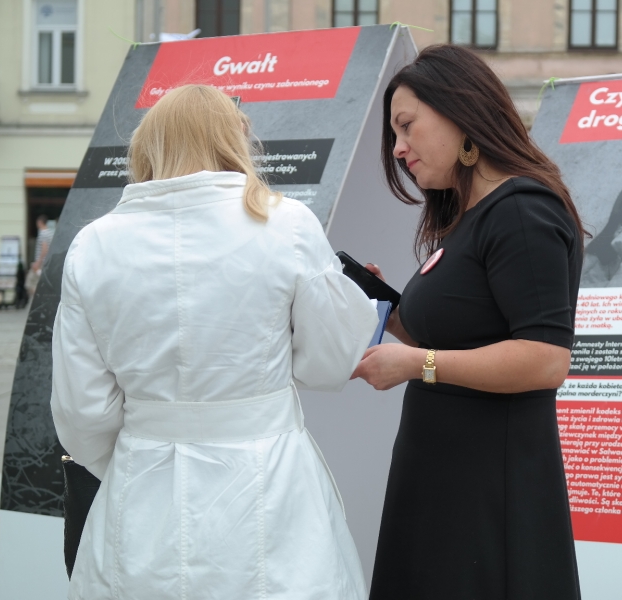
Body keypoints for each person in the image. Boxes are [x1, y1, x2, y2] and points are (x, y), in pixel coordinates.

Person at [50, 85, 378, 599]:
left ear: (147, 146)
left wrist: (143, 451)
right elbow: (330, 364)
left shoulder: (93, 245)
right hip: (269, 479)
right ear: (234, 138)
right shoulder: (286, 224)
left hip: (144, 485)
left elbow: (81, 411)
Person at [353, 45, 584, 599]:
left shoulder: (521, 211)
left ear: (459, 111)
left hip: (487, 495)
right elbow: (451, 335)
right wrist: (380, 305)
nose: (399, 148)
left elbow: (545, 359)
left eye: (406, 126)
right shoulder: (470, 219)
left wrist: (417, 364)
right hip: (442, 483)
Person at [25, 214, 53, 295]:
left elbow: (44, 249)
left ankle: (37, 297)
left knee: (29, 282)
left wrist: (38, 262)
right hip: (46, 262)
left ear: (40, 222)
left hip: (40, 263)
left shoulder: (43, 233)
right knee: (39, 282)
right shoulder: (50, 233)